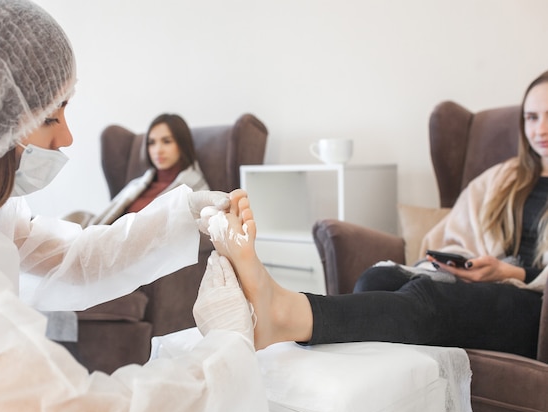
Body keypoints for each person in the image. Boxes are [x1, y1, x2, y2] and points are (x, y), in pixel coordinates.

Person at [0, 1, 268, 412]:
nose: (67, 138)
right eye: (51, 116)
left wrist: (183, 213)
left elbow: (71, 257)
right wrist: (224, 352)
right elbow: (76, 408)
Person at [212, 71, 548, 359]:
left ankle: (287, 313)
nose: (540, 129)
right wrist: (462, 264)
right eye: (531, 118)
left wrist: (512, 272)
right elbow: (457, 237)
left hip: (534, 306)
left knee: (429, 299)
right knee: (378, 279)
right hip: (487, 286)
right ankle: (363, 390)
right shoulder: (503, 178)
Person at [68, 113, 208, 227]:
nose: (157, 150)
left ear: (182, 144)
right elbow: (103, 220)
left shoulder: (194, 189)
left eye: (166, 141)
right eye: (151, 143)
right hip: (104, 239)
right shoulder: (136, 185)